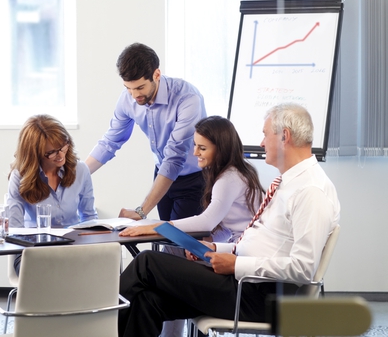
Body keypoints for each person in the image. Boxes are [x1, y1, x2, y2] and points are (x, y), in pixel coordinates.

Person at [118, 103, 341, 337]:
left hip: (259, 294)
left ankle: (93, 327)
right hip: (246, 284)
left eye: (265, 135)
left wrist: (236, 264)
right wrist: (217, 248)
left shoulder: (311, 191)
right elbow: (264, 245)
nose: (262, 143)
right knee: (147, 300)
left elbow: (304, 268)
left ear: (284, 137)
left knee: (147, 262)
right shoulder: (289, 183)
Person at [86, 42, 207, 224]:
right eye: (129, 88)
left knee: (181, 245)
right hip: (162, 174)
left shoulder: (187, 98)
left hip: (194, 179)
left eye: (140, 87)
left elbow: (175, 157)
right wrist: (76, 175)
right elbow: (110, 142)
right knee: (165, 240)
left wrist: (141, 211)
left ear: (156, 74)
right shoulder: (128, 98)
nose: (134, 95)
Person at [120, 115, 264, 243]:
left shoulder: (229, 179)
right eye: (195, 145)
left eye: (202, 148)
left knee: (148, 260)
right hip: (240, 247)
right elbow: (230, 225)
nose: (195, 153)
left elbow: (207, 221)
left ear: (221, 149)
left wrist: (157, 227)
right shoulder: (236, 173)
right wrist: (211, 242)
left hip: (244, 252)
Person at [8, 114, 98, 271]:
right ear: (34, 153)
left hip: (73, 246)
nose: (61, 155)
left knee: (107, 259)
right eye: (51, 152)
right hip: (32, 249)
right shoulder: (20, 176)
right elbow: (15, 229)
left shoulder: (80, 169)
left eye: (63, 146)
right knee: (48, 269)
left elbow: (89, 217)